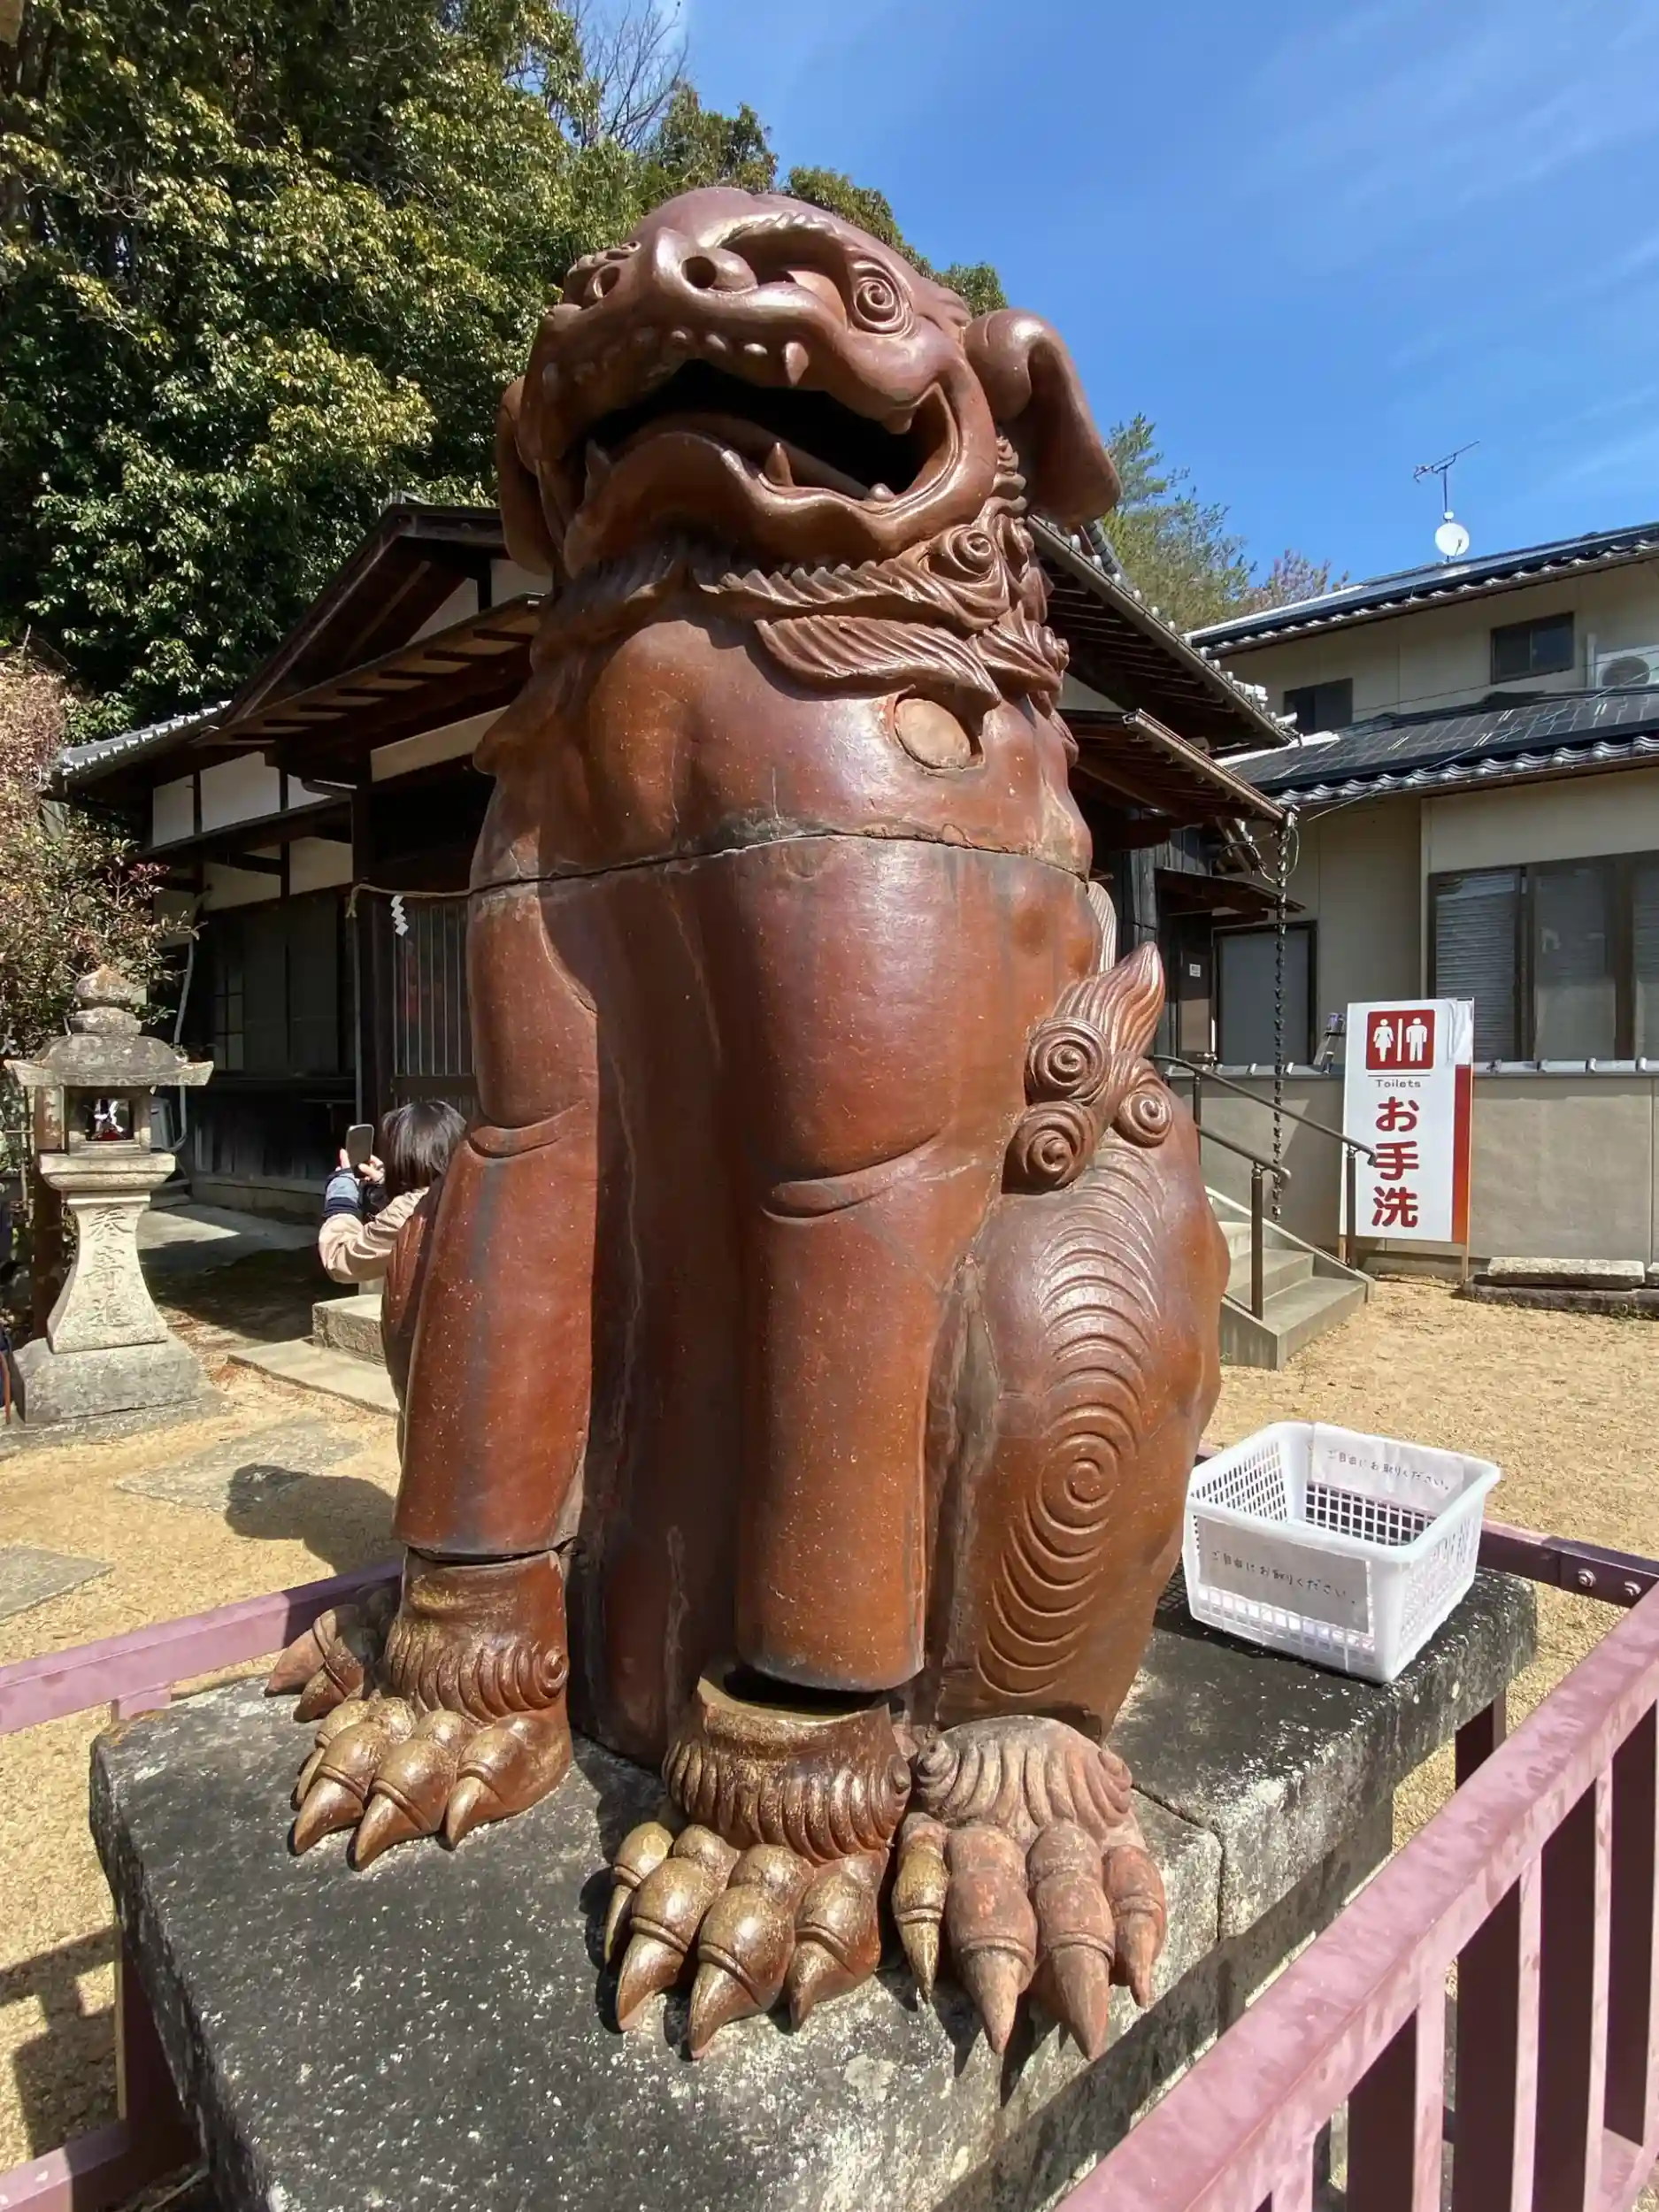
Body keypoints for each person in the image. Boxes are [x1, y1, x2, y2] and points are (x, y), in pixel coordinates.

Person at [319, 1101, 465, 1286]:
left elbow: (339, 1261)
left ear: (401, 1157)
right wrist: (385, 1185)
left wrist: (341, 1194)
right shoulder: (472, 1190)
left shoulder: (407, 1212)